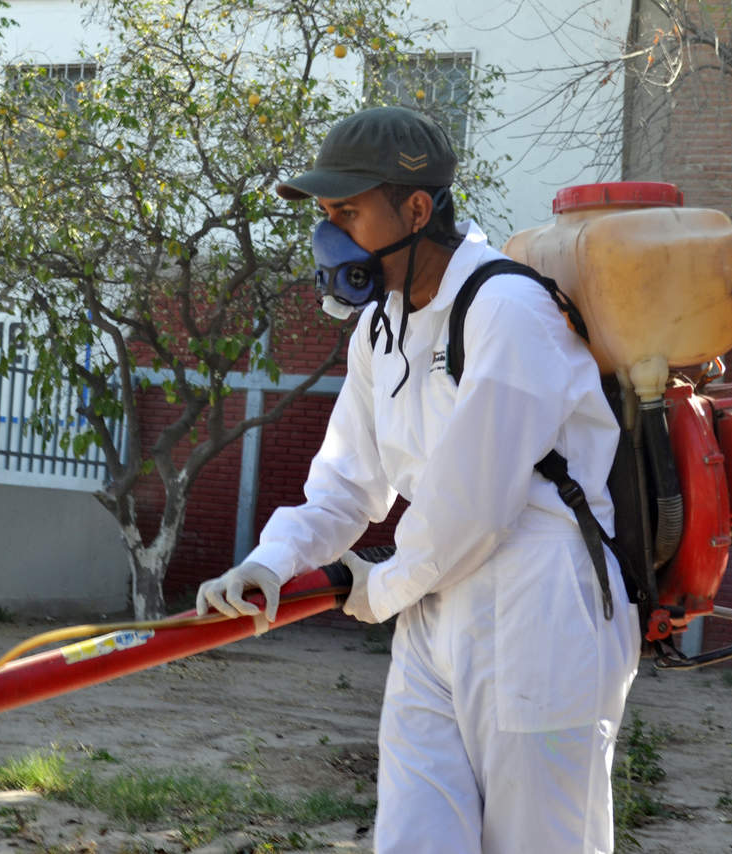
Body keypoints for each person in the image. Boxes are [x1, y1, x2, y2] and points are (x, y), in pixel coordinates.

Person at [194, 106, 640, 853]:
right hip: (434, 610)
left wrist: (381, 589)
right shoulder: (382, 326)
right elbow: (346, 482)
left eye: (346, 212)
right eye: (325, 215)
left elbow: (474, 509)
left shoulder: (509, 310)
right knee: (414, 839)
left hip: (541, 612)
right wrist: (271, 561)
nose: (329, 235)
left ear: (416, 208)